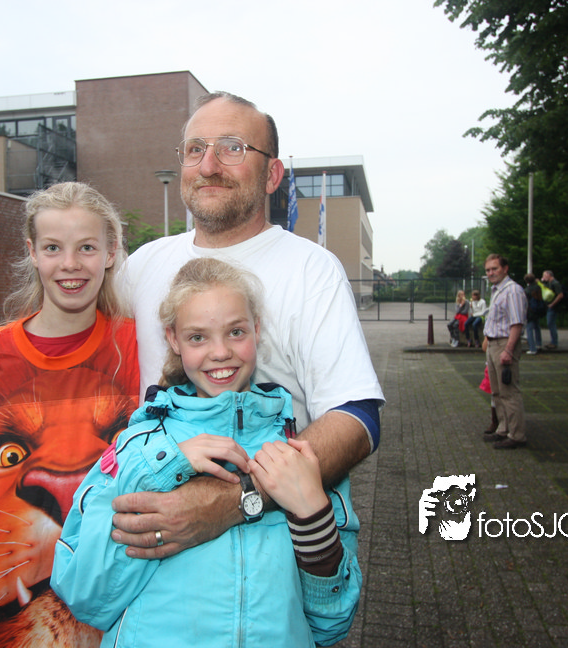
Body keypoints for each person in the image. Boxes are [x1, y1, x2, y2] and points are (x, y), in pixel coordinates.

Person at [0, 92, 383, 563]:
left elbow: (356, 419)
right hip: (148, 556)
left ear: (272, 174)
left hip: (262, 556)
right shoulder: (145, 265)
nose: (208, 164)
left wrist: (229, 501)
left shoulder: (311, 269)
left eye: (232, 148)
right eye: (195, 149)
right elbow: (73, 351)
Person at [52, 257, 360, 647]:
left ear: (257, 329)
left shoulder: (299, 452)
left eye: (236, 332)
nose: (220, 352)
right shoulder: (138, 448)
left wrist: (312, 516)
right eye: (198, 337)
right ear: (173, 339)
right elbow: (85, 595)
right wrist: (165, 466)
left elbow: (332, 623)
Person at [0, 183, 140, 648]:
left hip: (120, 610)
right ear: (32, 252)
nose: (70, 264)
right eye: (53, 248)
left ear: (110, 253)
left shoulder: (140, 346)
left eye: (87, 247)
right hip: (3, 616)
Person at [481, 255, 528, 449]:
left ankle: (516, 435)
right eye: (488, 270)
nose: (491, 273)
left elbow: (517, 323)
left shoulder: (512, 291)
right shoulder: (497, 291)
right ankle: (503, 429)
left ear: (505, 268)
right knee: (497, 392)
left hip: (504, 344)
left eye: (495, 269)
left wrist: (508, 350)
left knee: (509, 392)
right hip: (493, 344)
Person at [523, 273, 546, 355]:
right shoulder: (538, 288)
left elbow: (525, 303)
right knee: (537, 327)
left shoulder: (527, 290)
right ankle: (538, 344)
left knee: (529, 330)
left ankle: (532, 348)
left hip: (530, 312)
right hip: (538, 310)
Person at [541, 270, 564, 349]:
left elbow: (560, 295)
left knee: (551, 323)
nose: (543, 277)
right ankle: (553, 341)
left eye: (544, 275)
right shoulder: (549, 283)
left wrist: (552, 304)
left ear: (549, 275)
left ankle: (554, 342)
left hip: (553, 307)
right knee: (550, 323)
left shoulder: (555, 283)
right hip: (550, 306)